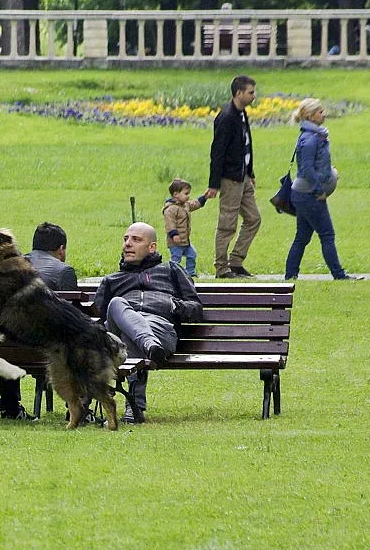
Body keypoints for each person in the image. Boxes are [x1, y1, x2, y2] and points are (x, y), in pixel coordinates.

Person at [95, 222, 202, 423]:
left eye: (136, 239)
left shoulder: (170, 270)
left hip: (160, 330)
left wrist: (175, 306)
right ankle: (148, 347)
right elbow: (97, 318)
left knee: (130, 336)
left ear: (152, 247)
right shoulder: (112, 280)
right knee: (118, 304)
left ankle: (134, 407)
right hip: (122, 338)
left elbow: (196, 309)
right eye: (126, 239)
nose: (128, 244)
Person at [0, 222, 78, 421]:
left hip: (5, 348)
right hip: (45, 347)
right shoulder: (64, 271)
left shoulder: (9, 267)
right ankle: (75, 406)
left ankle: (10, 407)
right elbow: (71, 317)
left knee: (11, 330)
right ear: (61, 249)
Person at [283, 98, 364, 281]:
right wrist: (320, 190)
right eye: (320, 112)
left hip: (303, 194)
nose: (324, 114)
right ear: (311, 116)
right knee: (327, 235)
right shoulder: (310, 139)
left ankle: (290, 275)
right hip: (309, 196)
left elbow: (315, 166)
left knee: (302, 237)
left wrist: (330, 174)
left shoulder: (313, 135)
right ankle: (339, 275)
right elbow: (306, 169)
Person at [205, 75, 261, 279]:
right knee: (227, 224)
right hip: (230, 179)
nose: (254, 96)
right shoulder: (227, 117)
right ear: (239, 93)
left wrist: (250, 172)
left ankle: (236, 261)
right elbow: (217, 151)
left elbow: (246, 144)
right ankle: (222, 267)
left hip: (243, 176)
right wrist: (214, 183)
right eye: (251, 92)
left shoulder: (242, 114)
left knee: (254, 218)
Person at [162, 178, 208, 278]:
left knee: (192, 254)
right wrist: (174, 234)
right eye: (186, 194)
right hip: (176, 241)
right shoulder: (170, 209)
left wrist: (204, 197)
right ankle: (173, 274)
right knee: (176, 258)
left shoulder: (185, 205)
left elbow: (195, 204)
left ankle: (190, 273)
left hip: (185, 241)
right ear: (176, 194)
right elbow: (170, 224)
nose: (188, 196)